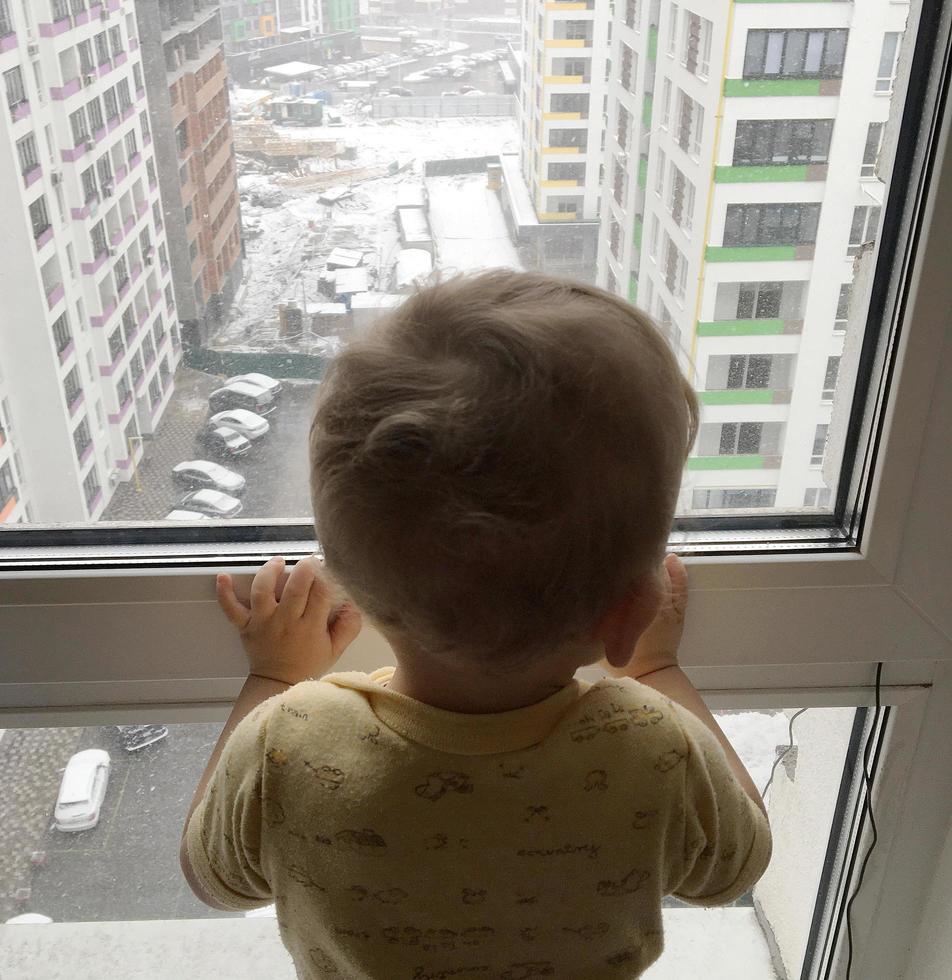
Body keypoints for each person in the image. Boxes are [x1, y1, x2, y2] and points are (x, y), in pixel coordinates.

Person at [180, 270, 772, 978]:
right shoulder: (654, 750)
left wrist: (274, 675)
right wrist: (659, 670)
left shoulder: (291, 743)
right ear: (631, 616)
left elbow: (212, 875)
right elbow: (736, 866)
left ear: (350, 584)